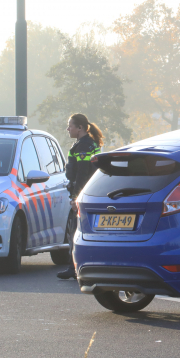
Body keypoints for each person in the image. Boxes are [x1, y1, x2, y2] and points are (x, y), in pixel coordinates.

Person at [57, 113, 103, 280]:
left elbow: (82, 174)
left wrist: (76, 197)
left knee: (75, 232)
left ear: (80, 128)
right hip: (90, 193)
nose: (68, 128)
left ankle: (74, 267)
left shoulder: (83, 146)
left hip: (82, 195)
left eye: (70, 125)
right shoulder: (87, 143)